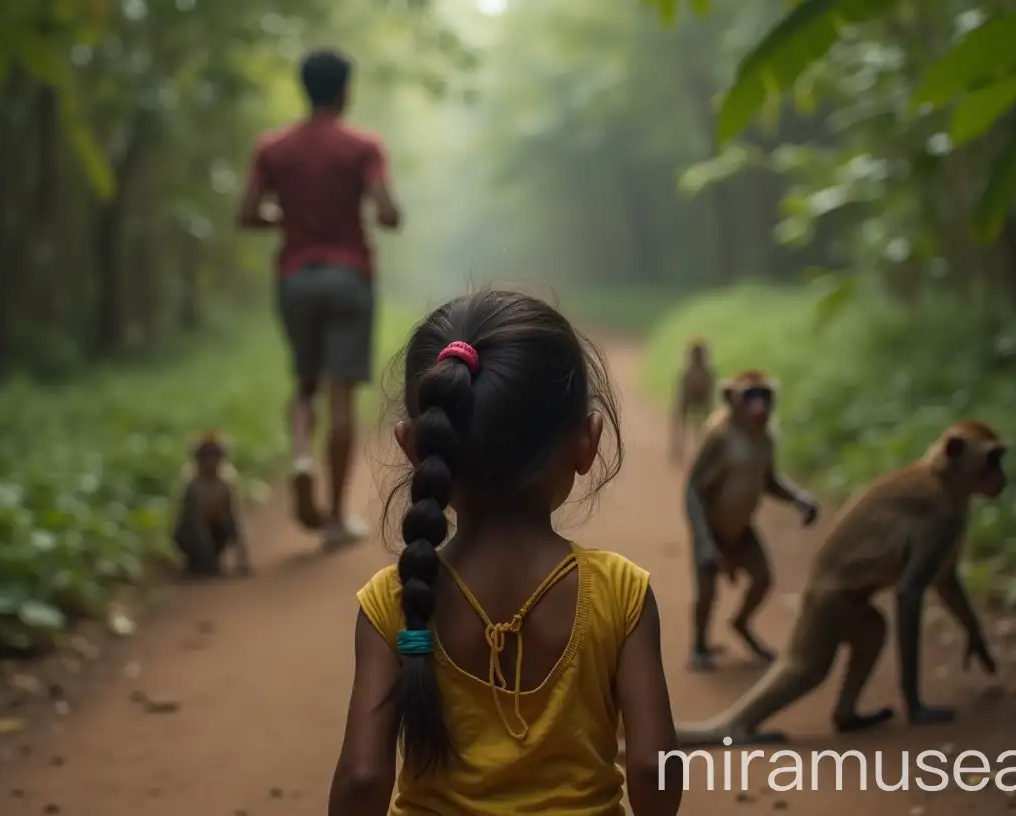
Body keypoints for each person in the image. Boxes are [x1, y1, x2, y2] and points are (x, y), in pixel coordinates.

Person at [327, 290, 683, 816]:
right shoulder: (622, 593)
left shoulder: (393, 602)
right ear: (587, 442)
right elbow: (655, 769)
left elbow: (361, 779)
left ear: (414, 447)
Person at [237, 47, 400, 548]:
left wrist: (284, 218)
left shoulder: (274, 147)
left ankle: (303, 456)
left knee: (304, 384)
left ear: (305, 88)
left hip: (297, 278)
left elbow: (246, 213)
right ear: (346, 90)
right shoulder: (362, 146)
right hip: (349, 277)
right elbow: (389, 212)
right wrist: (375, 213)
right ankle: (334, 516)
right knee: (341, 392)